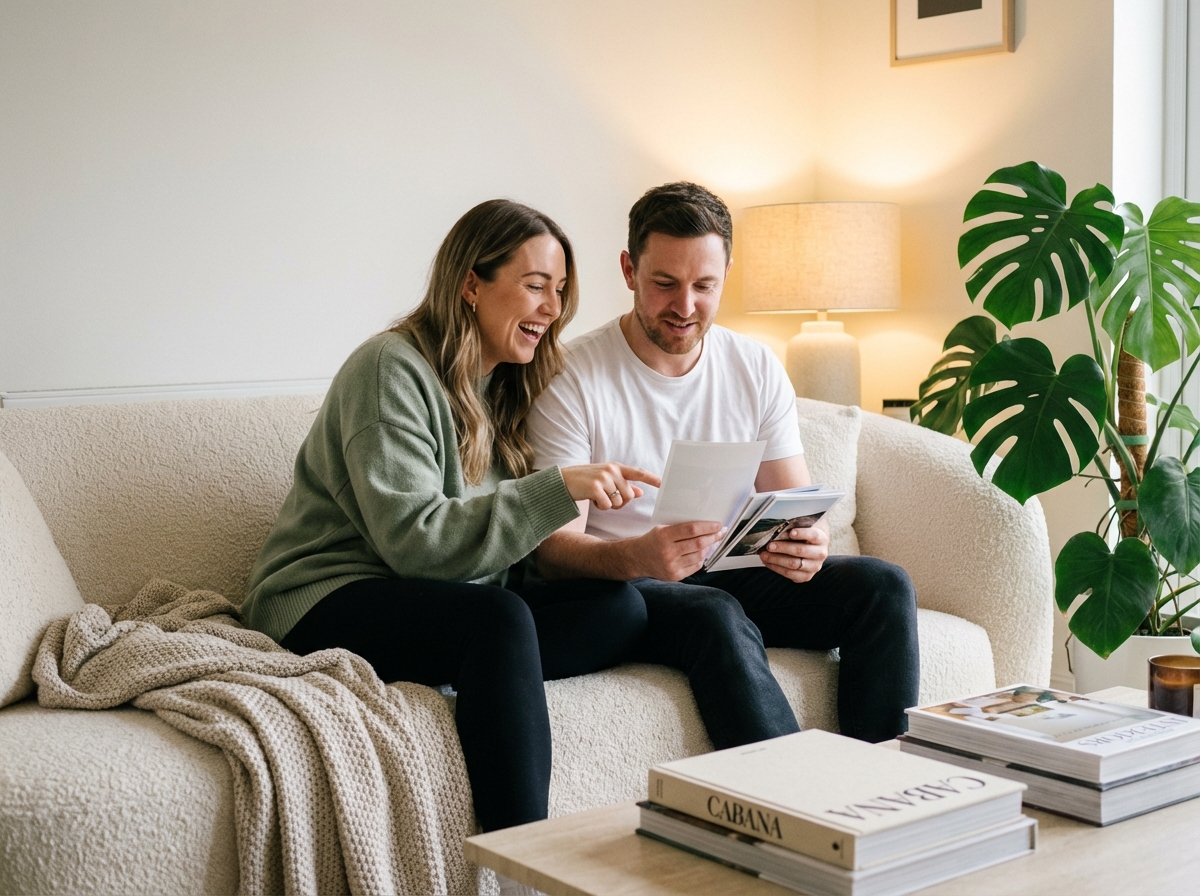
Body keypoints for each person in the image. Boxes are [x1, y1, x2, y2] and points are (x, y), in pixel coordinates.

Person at [241, 199, 658, 833]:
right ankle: (524, 859)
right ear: (471, 284)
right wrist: (557, 489)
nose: (553, 309)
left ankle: (487, 668)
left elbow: (486, 548)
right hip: (325, 596)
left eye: (560, 290)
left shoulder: (501, 385)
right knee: (496, 621)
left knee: (618, 606)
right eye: (535, 286)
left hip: (435, 596)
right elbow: (417, 542)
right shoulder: (389, 369)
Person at [527, 182, 920, 748]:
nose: (685, 307)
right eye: (664, 283)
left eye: (704, 286)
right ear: (628, 269)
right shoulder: (570, 375)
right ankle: (797, 802)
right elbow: (555, 553)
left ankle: (883, 786)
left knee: (882, 586)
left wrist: (811, 540)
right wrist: (639, 555)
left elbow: (796, 502)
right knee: (713, 613)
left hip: (732, 568)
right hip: (634, 584)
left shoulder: (754, 365)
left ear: (726, 274)